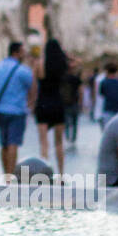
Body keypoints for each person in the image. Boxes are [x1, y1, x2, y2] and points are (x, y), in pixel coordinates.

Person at [0, 40, 34, 177]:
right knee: (13, 143)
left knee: (4, 144)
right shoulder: (23, 71)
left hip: (1, 111)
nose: (25, 54)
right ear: (16, 52)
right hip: (18, 111)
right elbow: (32, 88)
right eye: (23, 51)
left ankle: (5, 174)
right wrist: (30, 104)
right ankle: (10, 176)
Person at [33, 36, 68, 175]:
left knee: (44, 143)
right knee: (59, 143)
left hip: (42, 103)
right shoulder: (61, 64)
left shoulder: (39, 64)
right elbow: (77, 64)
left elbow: (34, 85)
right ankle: (61, 174)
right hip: (57, 103)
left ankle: (44, 175)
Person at [61, 57, 82, 149]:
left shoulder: (62, 77)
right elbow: (80, 91)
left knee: (66, 120)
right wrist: (81, 102)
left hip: (65, 103)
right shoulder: (76, 78)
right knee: (74, 121)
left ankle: (67, 137)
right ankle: (73, 138)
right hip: (74, 102)